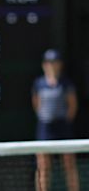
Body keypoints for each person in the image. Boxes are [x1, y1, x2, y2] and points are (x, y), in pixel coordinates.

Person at [31, 49, 79, 191]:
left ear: (60, 65)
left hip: (63, 128)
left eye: (55, 62)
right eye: (49, 62)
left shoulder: (66, 83)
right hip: (45, 129)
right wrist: (46, 117)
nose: (51, 65)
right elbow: (36, 104)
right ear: (44, 65)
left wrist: (63, 121)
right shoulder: (38, 84)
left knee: (69, 164)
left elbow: (73, 106)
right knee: (43, 165)